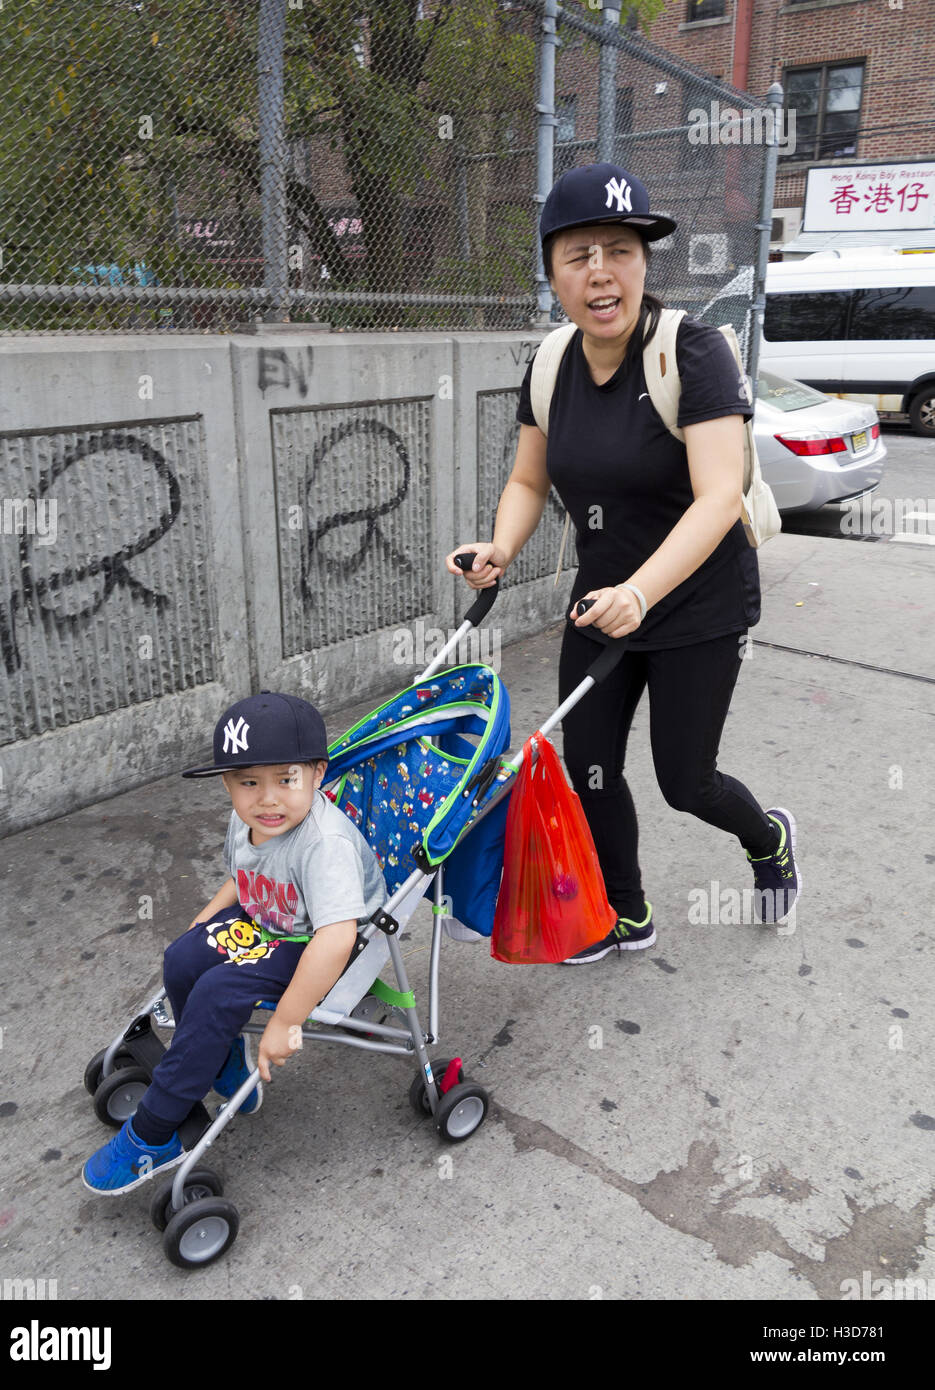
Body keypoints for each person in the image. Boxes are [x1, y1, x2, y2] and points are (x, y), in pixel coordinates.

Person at [447, 162, 800, 963]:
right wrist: (500, 546)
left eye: (620, 248)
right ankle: (624, 912)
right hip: (600, 600)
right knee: (592, 768)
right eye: (578, 255)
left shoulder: (695, 353)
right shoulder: (549, 364)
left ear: (644, 263)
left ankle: (766, 838)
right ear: (552, 273)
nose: (600, 270)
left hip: (697, 605)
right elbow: (527, 477)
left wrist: (643, 593)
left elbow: (717, 496)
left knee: (687, 782)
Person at [83, 691, 385, 1193]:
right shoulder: (251, 822)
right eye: (249, 783)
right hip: (268, 917)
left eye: (285, 780)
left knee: (218, 991)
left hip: (320, 941)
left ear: (317, 774)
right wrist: (202, 925)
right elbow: (243, 881)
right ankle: (220, 1057)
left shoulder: (323, 844)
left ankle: (155, 1134)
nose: (267, 799)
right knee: (181, 958)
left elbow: (337, 937)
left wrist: (286, 1021)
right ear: (228, 785)